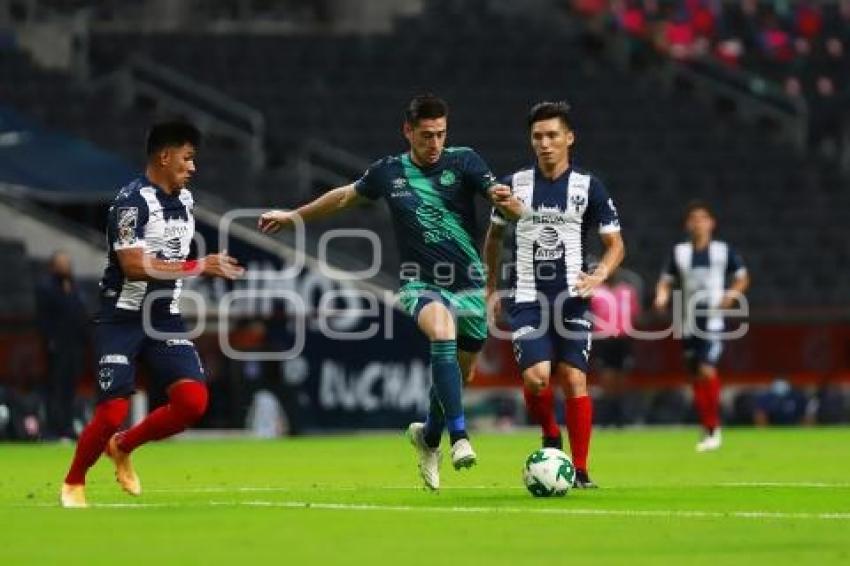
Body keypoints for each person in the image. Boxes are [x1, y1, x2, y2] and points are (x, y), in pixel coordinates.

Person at [259, 94, 520, 490]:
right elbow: (344, 197)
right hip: (421, 283)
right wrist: (294, 216)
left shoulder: (464, 161)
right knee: (442, 333)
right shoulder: (388, 172)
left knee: (460, 371)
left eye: (441, 135)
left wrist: (513, 204)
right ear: (408, 131)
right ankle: (460, 437)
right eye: (426, 136)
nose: (434, 144)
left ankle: (428, 438)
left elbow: (505, 204)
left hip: (468, 283)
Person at [60, 121, 244, 508]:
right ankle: (74, 482)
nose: (193, 167)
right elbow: (133, 266)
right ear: (165, 156)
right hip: (122, 319)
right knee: (112, 411)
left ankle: (123, 446)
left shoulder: (186, 201)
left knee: (193, 402)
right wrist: (198, 266)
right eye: (188, 158)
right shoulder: (131, 203)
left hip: (163, 319)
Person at [484, 101, 625, 488]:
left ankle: (579, 470)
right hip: (527, 298)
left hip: (572, 298)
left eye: (552, 135)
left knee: (574, 379)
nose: (544, 143)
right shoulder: (514, 184)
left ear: (569, 138)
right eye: (537, 137)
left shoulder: (588, 187)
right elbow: (493, 239)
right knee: (535, 379)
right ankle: (549, 432)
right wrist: (489, 287)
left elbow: (615, 245)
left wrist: (599, 276)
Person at [653, 201, 749, 452]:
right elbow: (665, 281)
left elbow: (742, 276)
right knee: (695, 375)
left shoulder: (722, 251)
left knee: (707, 370)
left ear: (711, 223)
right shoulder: (679, 253)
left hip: (713, 319)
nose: (698, 223)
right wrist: (661, 296)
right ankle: (706, 425)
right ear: (688, 224)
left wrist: (732, 294)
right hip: (687, 321)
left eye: (702, 218)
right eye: (693, 219)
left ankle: (713, 427)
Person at [35, 251, 89, 440]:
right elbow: (44, 317)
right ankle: (52, 430)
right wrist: (51, 341)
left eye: (67, 263)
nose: (65, 266)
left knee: (71, 389)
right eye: (61, 263)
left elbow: (81, 312)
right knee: (55, 389)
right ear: (53, 266)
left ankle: (67, 428)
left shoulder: (75, 286)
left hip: (75, 346)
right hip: (56, 347)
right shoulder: (46, 287)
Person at [589, 268, 639, 427]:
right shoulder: (596, 292)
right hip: (603, 340)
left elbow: (634, 314)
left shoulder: (627, 291)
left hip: (623, 339)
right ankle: (607, 415)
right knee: (607, 378)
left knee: (621, 379)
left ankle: (620, 416)